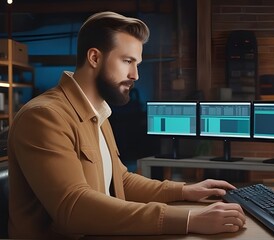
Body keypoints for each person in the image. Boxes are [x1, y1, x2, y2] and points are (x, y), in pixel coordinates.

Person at [7, 11, 246, 239]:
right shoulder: (44, 116)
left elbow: (121, 180)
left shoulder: (97, 112)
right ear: (94, 58)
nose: (135, 75)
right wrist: (189, 218)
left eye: (137, 64)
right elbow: (74, 207)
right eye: (127, 61)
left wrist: (184, 190)